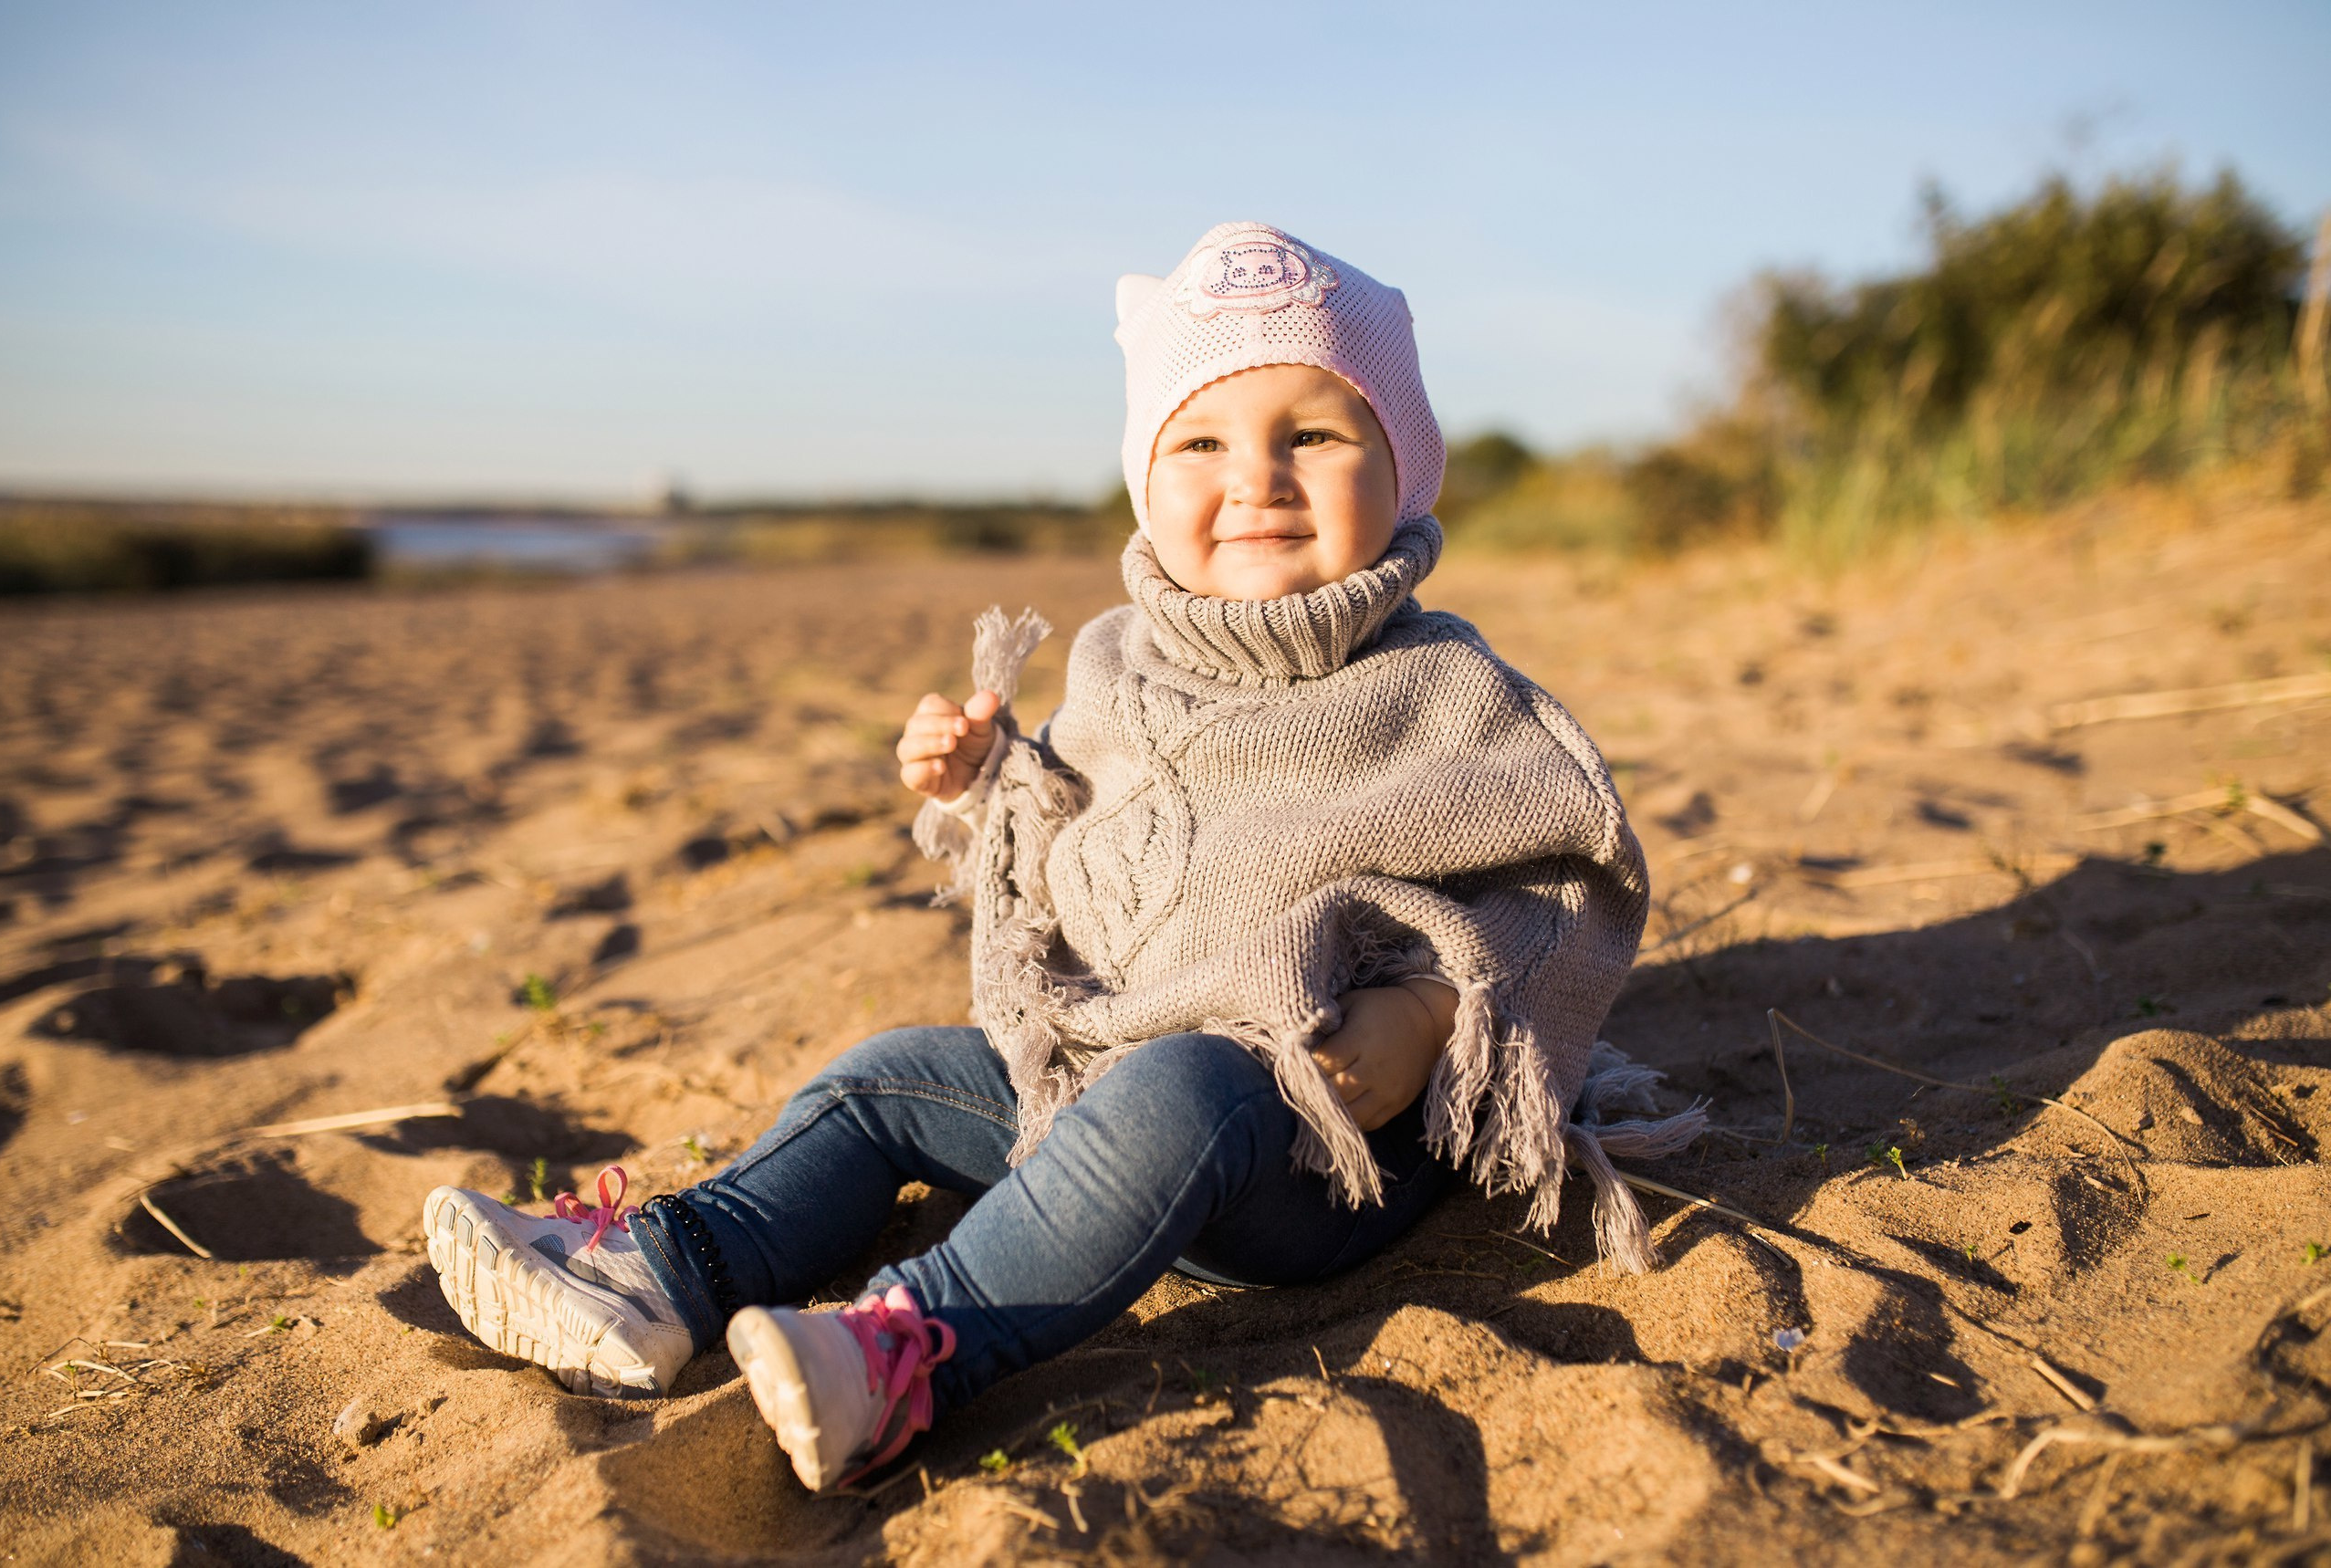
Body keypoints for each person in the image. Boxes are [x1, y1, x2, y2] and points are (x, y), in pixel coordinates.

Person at [421, 222, 1699, 1492]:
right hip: (1093, 1086)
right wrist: (989, 782)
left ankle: (904, 1351)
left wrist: (1426, 1011)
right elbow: (1094, 848)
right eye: (1200, 441)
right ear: (1148, 479)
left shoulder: (1446, 688)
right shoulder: (1115, 667)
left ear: (1403, 467)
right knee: (881, 1081)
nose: (1256, 478)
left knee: (1188, 1085)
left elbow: (1568, 882)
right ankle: (661, 1271)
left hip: (1317, 1146)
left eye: (1312, 434)